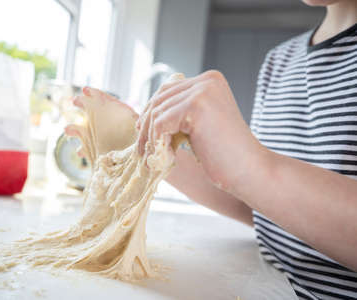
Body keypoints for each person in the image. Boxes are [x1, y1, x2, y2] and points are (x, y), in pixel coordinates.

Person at [72, 0, 357, 299]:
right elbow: (265, 206)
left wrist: (255, 164)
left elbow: (260, 175)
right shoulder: (280, 61)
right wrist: (143, 144)